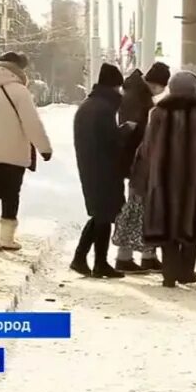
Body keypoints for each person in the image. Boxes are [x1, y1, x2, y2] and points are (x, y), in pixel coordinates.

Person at [131, 70, 196, 288]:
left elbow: (147, 148)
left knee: (166, 226)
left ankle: (169, 273)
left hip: (162, 181)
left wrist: (140, 180)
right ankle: (185, 272)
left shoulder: (159, 111)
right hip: (193, 182)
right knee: (190, 226)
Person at [0, 52, 53, 252]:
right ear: (18, 69)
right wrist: (44, 148)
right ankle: (7, 239)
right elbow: (32, 124)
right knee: (10, 195)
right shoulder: (20, 91)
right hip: (13, 154)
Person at [71, 64, 132, 278]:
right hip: (103, 169)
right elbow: (110, 141)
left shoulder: (89, 105)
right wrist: (125, 130)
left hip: (92, 167)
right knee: (104, 216)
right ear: (114, 86)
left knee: (100, 215)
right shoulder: (104, 109)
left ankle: (80, 258)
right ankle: (100, 263)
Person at [112, 68, 163, 274]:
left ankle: (147, 256)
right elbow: (129, 130)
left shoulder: (138, 95)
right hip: (139, 163)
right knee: (136, 209)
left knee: (145, 209)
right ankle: (125, 257)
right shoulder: (137, 98)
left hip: (140, 161)